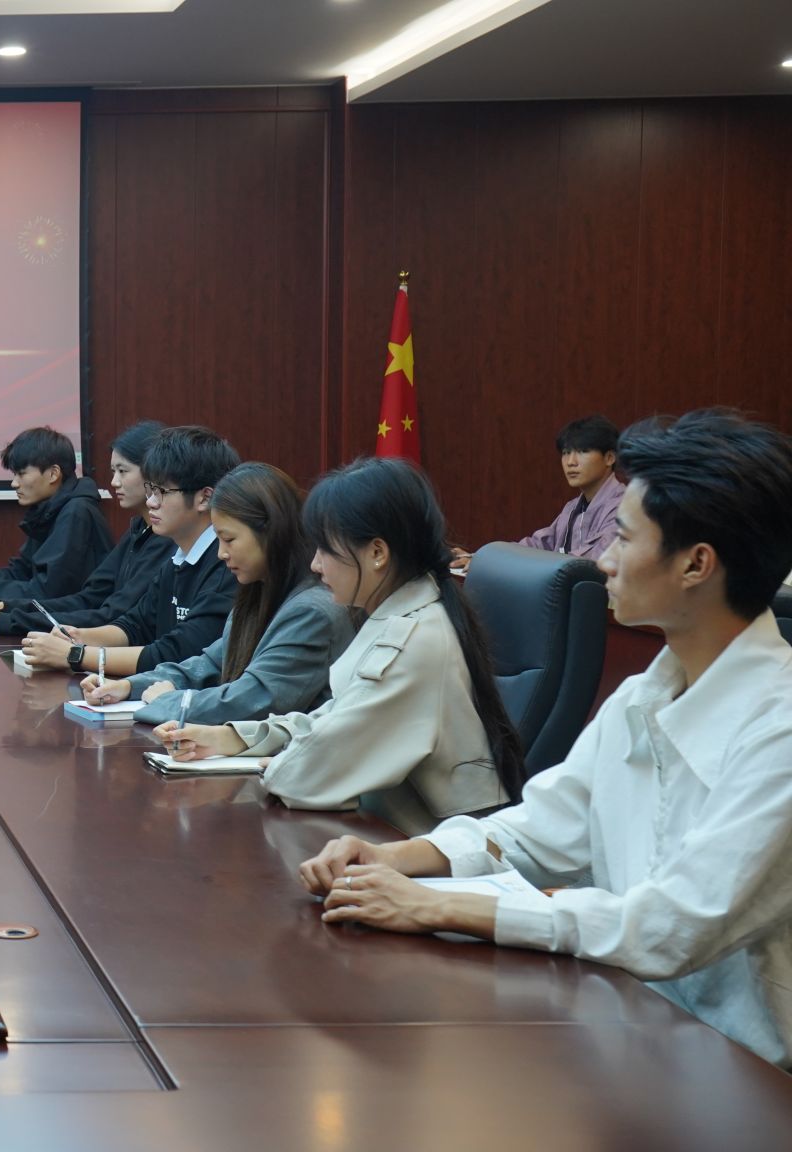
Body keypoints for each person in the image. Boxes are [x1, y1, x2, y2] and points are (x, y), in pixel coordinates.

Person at [299, 409, 792, 1070]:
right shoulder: (642, 696)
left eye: (623, 539)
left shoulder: (778, 728)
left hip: (742, 1073)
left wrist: (439, 906)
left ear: (696, 564)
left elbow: (671, 926)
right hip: (623, 1024)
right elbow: (536, 830)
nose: (604, 560)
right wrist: (398, 858)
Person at [156, 456, 518, 834]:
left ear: (377, 553)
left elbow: (306, 774)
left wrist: (278, 764)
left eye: (326, 549)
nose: (315, 564)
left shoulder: (412, 641)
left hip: (428, 844)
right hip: (386, 830)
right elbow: (334, 717)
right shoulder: (396, 614)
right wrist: (230, 738)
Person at [80, 462, 356, 725]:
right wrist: (129, 686)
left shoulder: (311, 610)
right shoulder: (259, 590)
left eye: (229, 539)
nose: (221, 553)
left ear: (271, 532)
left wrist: (173, 702)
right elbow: (209, 664)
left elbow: (256, 700)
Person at [17, 425, 238, 677]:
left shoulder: (227, 564)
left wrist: (76, 655)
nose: (151, 502)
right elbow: (136, 625)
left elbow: (178, 653)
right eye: (150, 490)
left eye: (161, 492)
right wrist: (78, 636)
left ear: (204, 498)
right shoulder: (178, 559)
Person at [0, 420, 172, 637]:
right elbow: (90, 598)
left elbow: (113, 615)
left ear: (155, 473)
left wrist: (16, 620)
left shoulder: (166, 537)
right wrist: (10, 607)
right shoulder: (138, 528)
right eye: (113, 471)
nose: (114, 482)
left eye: (122, 471)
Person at [0, 427, 111, 605]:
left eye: (22, 474)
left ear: (53, 474)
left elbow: (45, 591)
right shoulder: (52, 509)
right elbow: (21, 572)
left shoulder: (76, 512)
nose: (14, 483)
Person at [453, 415, 624, 567]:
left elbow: (590, 563)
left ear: (609, 458)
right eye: (566, 452)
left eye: (582, 451)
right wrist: (482, 558)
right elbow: (539, 545)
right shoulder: (572, 507)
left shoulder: (624, 506)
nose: (571, 462)